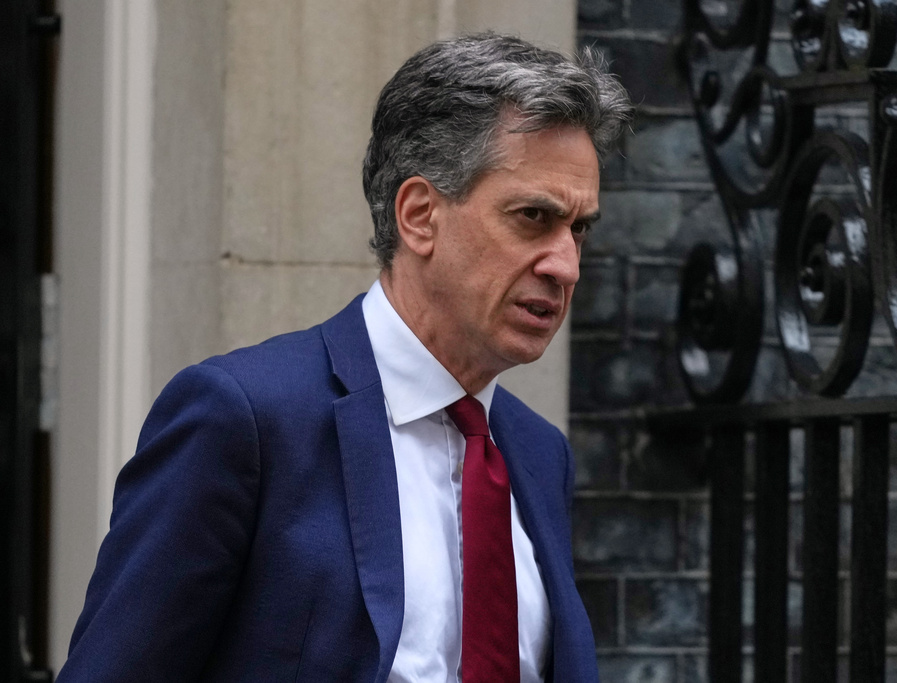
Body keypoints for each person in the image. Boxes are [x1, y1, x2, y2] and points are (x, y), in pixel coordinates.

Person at [57, 33, 632, 682]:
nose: (565, 264)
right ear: (419, 216)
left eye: (578, 229)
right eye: (534, 216)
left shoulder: (537, 452)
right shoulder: (244, 418)